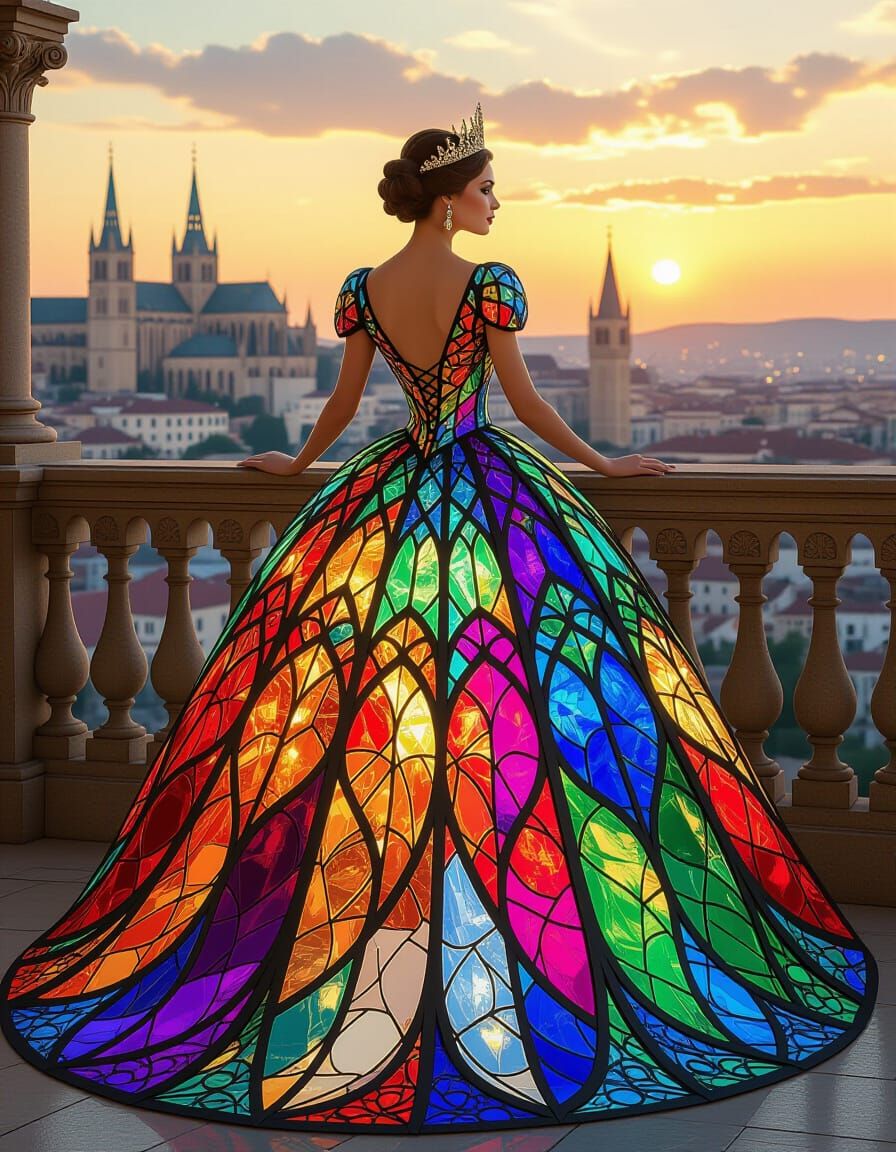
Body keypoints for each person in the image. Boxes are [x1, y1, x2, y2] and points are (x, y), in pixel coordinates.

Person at [0, 103, 876, 1135]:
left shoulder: (361, 288)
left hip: (388, 494)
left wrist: (295, 464)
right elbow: (525, 407)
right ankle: (515, 910)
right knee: (516, 694)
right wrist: (604, 463)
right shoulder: (487, 284)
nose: (498, 202)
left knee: (367, 702)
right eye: (489, 188)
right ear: (452, 198)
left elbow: (341, 407)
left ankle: (374, 908)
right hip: (490, 491)